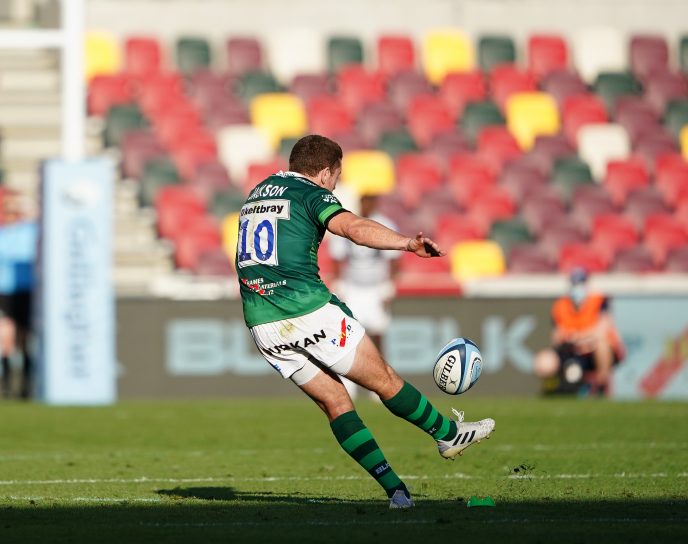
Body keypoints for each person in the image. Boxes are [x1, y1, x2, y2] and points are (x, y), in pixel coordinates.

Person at [236, 135, 495, 509]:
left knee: (336, 402)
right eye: (337, 175)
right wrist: (407, 243)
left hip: (261, 321)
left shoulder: (259, 192)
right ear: (325, 172)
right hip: (306, 310)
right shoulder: (312, 193)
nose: (337, 183)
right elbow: (353, 228)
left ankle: (397, 493)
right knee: (384, 380)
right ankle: (448, 433)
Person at [0, 192, 38, 399]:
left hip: (26, 291)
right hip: (5, 291)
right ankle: (6, 387)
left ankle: (26, 387)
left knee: (24, 340)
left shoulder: (31, 231)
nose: (9, 214)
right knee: (5, 338)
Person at [533, 267, 625, 397]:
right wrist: (577, 340)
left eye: (581, 284)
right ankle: (551, 389)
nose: (578, 288)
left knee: (602, 345)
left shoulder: (598, 301)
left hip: (593, 350)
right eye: (575, 284)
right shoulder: (561, 305)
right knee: (544, 361)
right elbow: (557, 337)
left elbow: (602, 329)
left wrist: (578, 337)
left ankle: (601, 386)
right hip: (573, 351)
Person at [327, 193, 400, 353]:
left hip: (375, 288)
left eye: (371, 201)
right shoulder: (347, 223)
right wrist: (339, 283)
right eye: (365, 201)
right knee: (350, 334)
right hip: (353, 287)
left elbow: (394, 259)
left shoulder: (385, 224)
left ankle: (380, 371)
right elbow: (337, 256)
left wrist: (388, 285)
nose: (367, 205)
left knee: (377, 334)